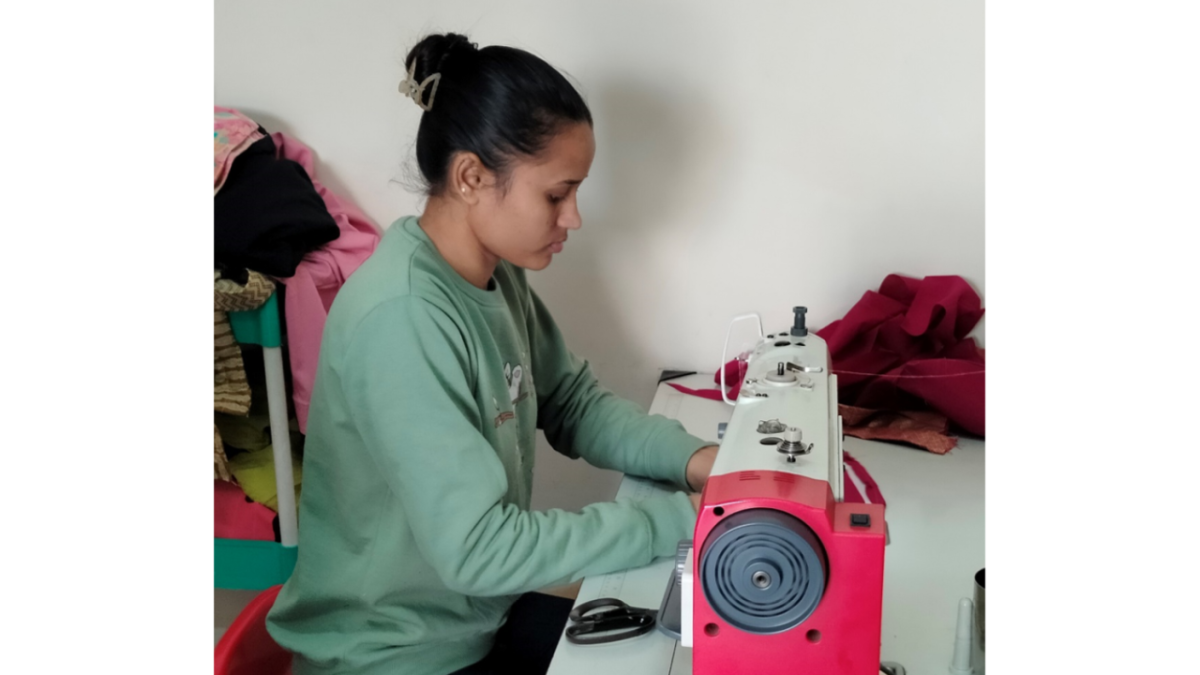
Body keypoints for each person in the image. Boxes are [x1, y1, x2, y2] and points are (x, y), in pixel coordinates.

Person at [266, 32, 718, 675]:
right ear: (473, 176)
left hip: (471, 620)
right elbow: (479, 549)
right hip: (393, 657)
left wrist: (698, 461)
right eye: (557, 195)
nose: (574, 218)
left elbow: (571, 402)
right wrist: (680, 518)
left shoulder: (494, 275)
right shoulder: (404, 318)